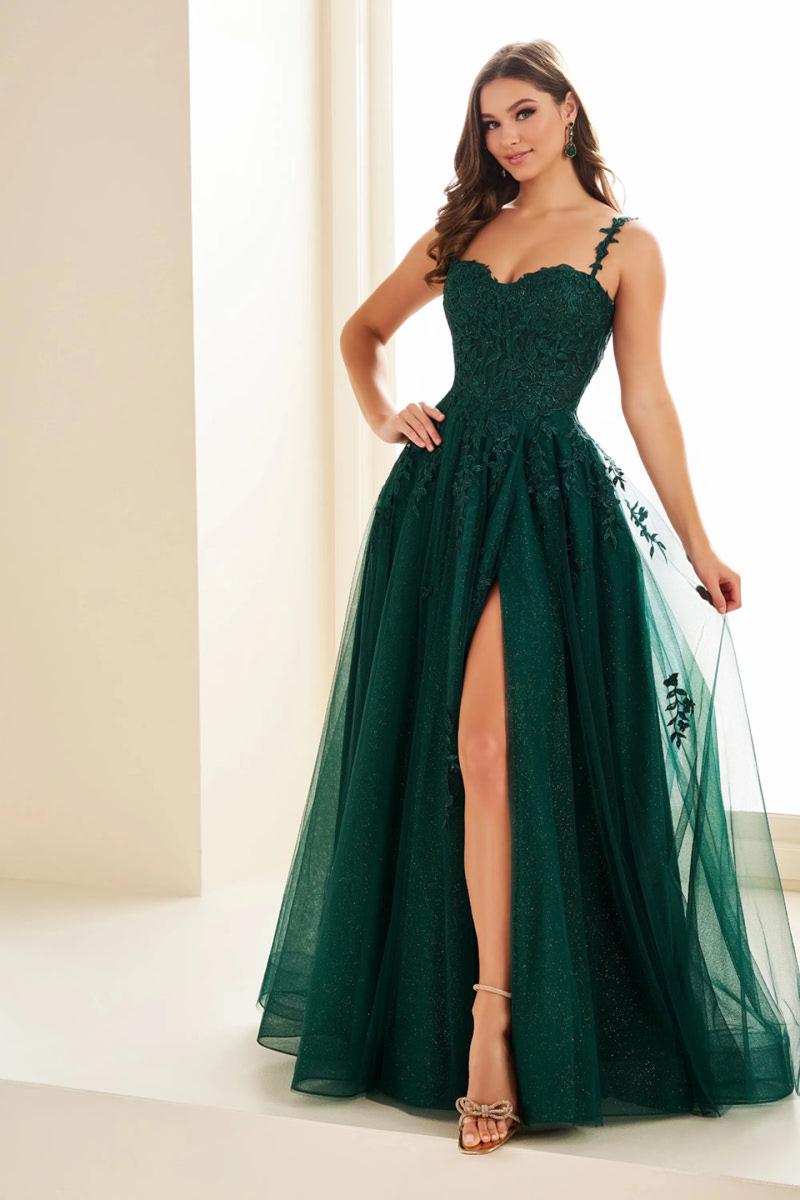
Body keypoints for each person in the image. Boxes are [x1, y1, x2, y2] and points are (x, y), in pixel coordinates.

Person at [256, 40, 800, 1155]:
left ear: (567, 111)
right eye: (490, 122)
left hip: (549, 509)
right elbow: (361, 334)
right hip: (443, 501)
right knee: (454, 752)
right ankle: (474, 1007)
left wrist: (698, 541)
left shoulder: (625, 245)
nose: (505, 137)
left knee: (498, 749)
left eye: (523, 114)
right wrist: (384, 413)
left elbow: (646, 399)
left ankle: (495, 1023)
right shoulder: (462, 232)